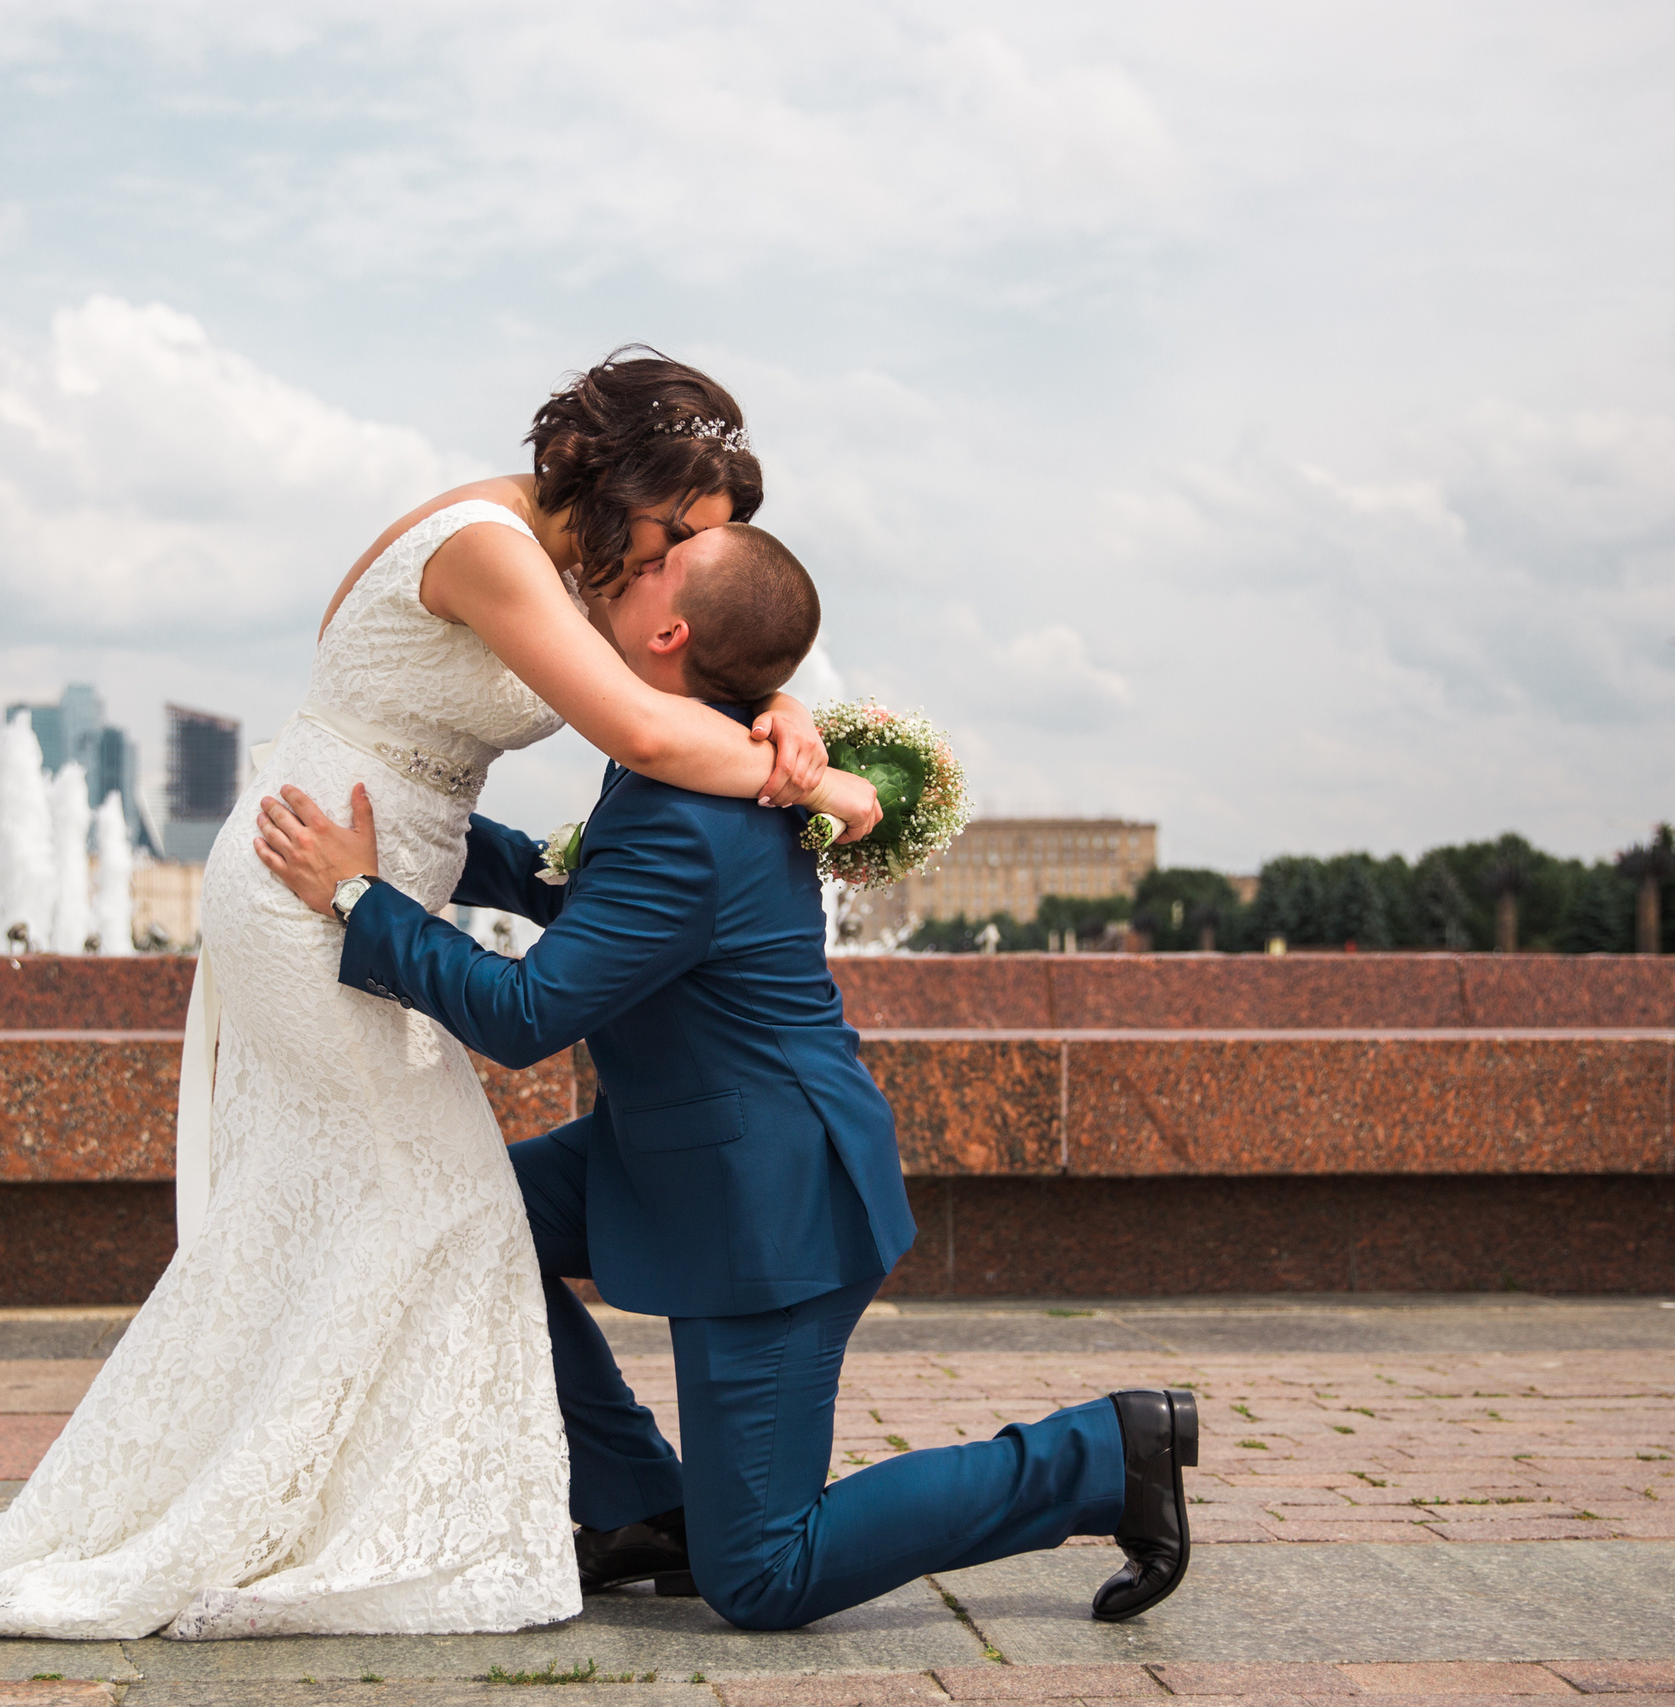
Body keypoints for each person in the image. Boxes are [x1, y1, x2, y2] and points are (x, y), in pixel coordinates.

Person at [0, 348, 884, 1641]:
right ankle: (406, 1498)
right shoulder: (489, 548)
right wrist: (820, 780)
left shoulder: (589, 565)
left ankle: (609, 1495)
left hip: (372, 875)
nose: (686, 562)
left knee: (423, 1206)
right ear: (626, 494)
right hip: (316, 875)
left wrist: (783, 702)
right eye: (684, 533)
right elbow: (649, 732)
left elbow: (703, 645)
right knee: (437, 1200)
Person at [255, 520, 1197, 1631]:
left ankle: (1102, 1454)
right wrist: (425, 823)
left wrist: (362, 900)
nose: (629, 553)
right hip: (683, 1145)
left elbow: (525, 1013)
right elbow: (603, 908)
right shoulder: (683, 752)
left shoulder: (688, 815)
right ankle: (641, 1505)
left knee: (764, 1576)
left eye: (655, 561)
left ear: (670, 631)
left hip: (768, 1202)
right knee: (451, 1215)